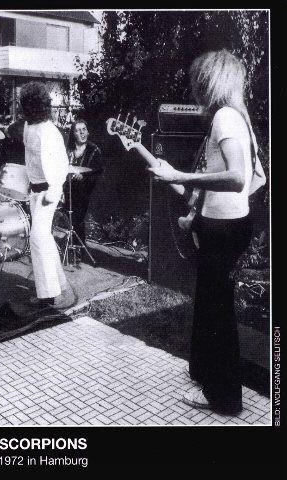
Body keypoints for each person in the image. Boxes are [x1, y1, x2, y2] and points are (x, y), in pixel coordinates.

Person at [148, 49, 266, 415]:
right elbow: (259, 178)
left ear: (210, 81)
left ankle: (225, 398)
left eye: (199, 80)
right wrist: (198, 207)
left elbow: (237, 178)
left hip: (224, 231)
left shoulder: (225, 119)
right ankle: (204, 372)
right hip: (223, 224)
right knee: (211, 304)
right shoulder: (236, 117)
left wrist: (181, 176)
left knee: (218, 313)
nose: (194, 88)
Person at [19, 82, 76, 312]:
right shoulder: (28, 127)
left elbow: (61, 167)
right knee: (44, 240)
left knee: (38, 238)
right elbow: (29, 160)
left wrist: (51, 195)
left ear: (34, 106)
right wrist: (28, 187)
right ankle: (62, 287)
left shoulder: (50, 132)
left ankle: (49, 297)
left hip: (47, 192)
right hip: (34, 190)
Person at [64, 119, 104, 244]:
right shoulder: (68, 150)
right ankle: (72, 245)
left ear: (88, 132)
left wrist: (84, 177)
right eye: (77, 130)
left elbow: (98, 172)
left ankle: (79, 247)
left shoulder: (94, 150)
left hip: (87, 191)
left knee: (78, 218)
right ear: (73, 134)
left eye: (84, 130)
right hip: (69, 189)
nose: (81, 133)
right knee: (69, 216)